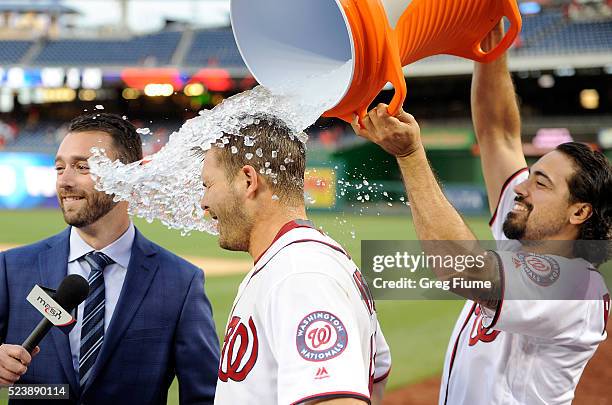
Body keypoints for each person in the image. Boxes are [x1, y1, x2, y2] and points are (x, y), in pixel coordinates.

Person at [352, 77, 611, 405]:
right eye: (528, 175)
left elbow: (463, 270)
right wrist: (490, 46)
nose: (521, 187)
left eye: (540, 183)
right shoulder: (524, 238)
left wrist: (410, 154)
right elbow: (497, 134)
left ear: (579, 212)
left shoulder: (577, 288)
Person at [0, 113, 219, 404]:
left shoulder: (181, 282)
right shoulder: (11, 269)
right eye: (59, 167)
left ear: (129, 175)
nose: (64, 180)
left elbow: (203, 397)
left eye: (82, 167)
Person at [198, 115, 391, 405]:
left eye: (208, 185)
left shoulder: (299, 273)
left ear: (248, 181)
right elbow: (377, 379)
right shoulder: (295, 261)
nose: (204, 202)